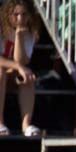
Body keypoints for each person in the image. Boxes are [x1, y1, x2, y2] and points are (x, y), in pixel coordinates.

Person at [0, 0, 39, 136]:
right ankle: (0, 122)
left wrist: (18, 36)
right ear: (7, 14)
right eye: (15, 14)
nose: (20, 19)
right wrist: (18, 66)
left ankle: (26, 125)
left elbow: (22, 61)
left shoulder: (30, 32)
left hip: (11, 75)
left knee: (27, 76)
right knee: (0, 72)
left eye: (24, 14)